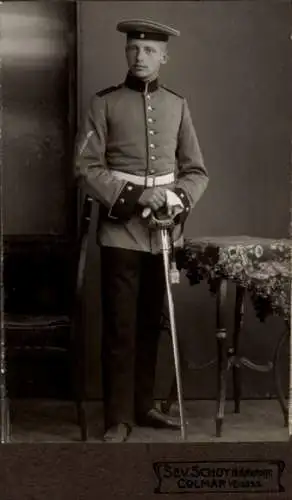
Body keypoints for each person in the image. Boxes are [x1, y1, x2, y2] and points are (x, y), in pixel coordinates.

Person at [74, 19, 209, 442]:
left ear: (164, 56)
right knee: (120, 325)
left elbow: (196, 172)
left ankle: (144, 406)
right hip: (120, 230)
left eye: (150, 51)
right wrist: (135, 196)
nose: (140, 57)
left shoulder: (177, 105)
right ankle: (118, 417)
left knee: (152, 321)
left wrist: (175, 199)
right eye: (133, 50)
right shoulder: (104, 104)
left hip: (163, 233)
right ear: (126, 54)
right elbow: (85, 168)